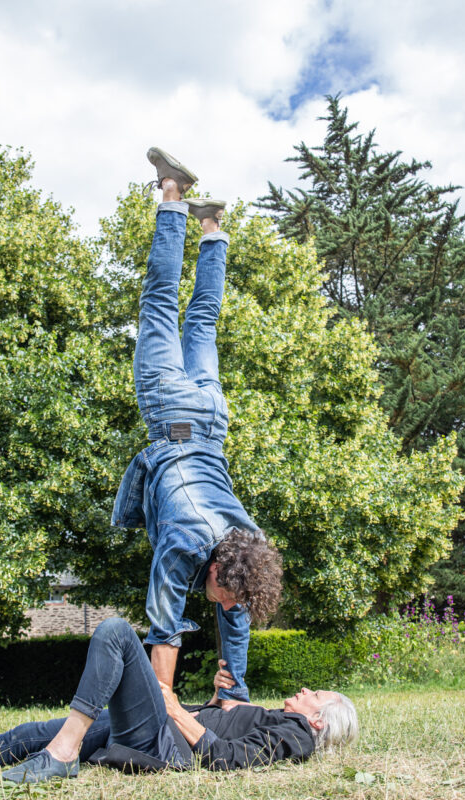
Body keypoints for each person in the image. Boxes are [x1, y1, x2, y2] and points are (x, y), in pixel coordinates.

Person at [112, 147, 283, 701]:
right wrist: (162, 704)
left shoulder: (248, 546)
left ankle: (212, 226)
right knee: (159, 302)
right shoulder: (186, 543)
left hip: (210, 420)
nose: (227, 607)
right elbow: (164, 623)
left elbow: (236, 615)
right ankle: (172, 192)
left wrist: (233, 694)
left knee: (203, 322)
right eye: (228, 597)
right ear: (216, 572)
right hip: (173, 415)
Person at [0, 618, 357, 783]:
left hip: (164, 746)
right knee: (37, 733)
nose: (305, 691)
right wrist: (216, 701)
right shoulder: (277, 719)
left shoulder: (298, 736)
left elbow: (228, 759)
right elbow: (226, 731)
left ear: (319, 720)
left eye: (314, 695)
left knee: (114, 631)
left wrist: (176, 710)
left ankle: (63, 754)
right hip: (163, 732)